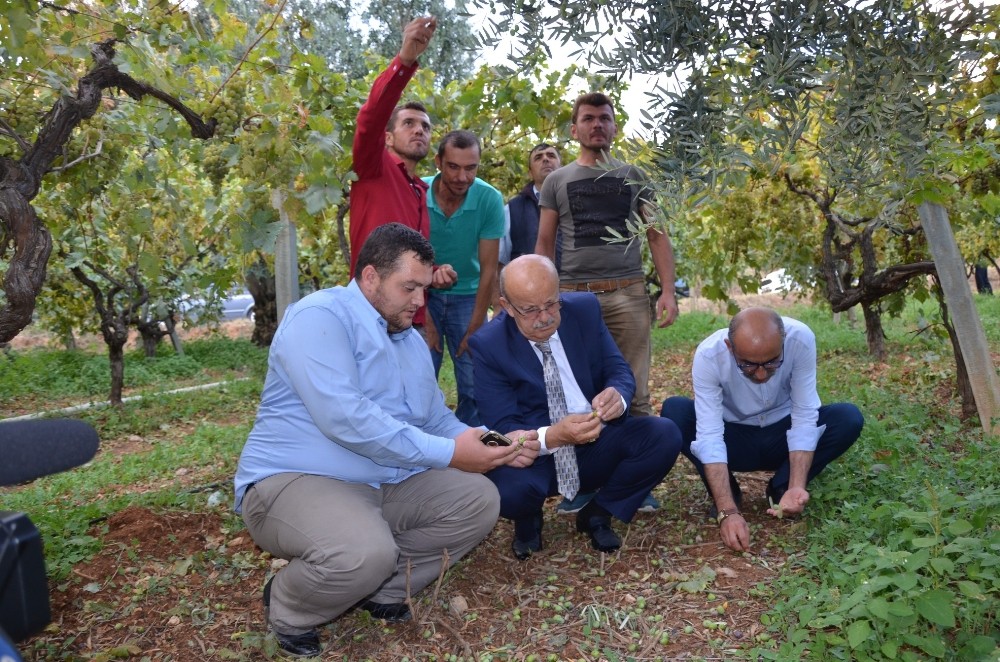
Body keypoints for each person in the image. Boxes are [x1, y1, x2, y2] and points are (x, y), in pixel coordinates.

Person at [233, 224, 537, 657]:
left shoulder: (410, 341)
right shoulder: (319, 317)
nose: (419, 302)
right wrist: (452, 452)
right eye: (409, 287)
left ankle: (384, 587)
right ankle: (289, 606)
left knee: (479, 500)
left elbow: (434, 418)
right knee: (363, 550)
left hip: (381, 482)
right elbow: (347, 419)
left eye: (424, 289)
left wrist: (490, 444)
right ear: (371, 277)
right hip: (296, 481)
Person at [470, 255, 682, 560]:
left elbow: (618, 370)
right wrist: (555, 436)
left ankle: (598, 512)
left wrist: (617, 397)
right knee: (505, 490)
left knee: (664, 435)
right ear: (506, 306)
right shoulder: (488, 345)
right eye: (530, 310)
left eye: (551, 303)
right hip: (537, 454)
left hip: (597, 440)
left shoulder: (583, 309)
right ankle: (528, 519)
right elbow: (503, 425)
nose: (544, 317)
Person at [659, 307, 864, 552]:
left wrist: (796, 485)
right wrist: (727, 511)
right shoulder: (708, 356)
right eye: (748, 365)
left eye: (771, 362)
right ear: (729, 347)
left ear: (784, 342)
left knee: (847, 417)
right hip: (734, 438)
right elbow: (710, 436)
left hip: (781, 436)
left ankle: (783, 487)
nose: (760, 373)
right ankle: (728, 494)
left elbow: (804, 415)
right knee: (675, 411)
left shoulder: (801, 339)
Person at [536, 92, 679, 420]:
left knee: (636, 394)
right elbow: (544, 243)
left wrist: (668, 292)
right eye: (588, 118)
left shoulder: (635, 175)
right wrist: (546, 296)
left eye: (604, 118)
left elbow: (657, 236)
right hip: (573, 297)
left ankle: (642, 465)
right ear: (575, 130)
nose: (597, 124)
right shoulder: (556, 181)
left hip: (628, 295)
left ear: (615, 128)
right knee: (579, 392)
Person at [348, 15, 456, 323]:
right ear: (388, 137)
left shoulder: (419, 188)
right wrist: (405, 61)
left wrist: (434, 273)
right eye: (408, 123)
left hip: (410, 320)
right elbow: (370, 119)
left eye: (425, 126)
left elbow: (404, 256)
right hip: (372, 316)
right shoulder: (373, 167)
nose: (419, 130)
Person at [423, 130, 505, 426]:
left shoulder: (489, 199)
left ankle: (468, 444)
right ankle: (426, 445)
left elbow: (489, 270)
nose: (462, 177)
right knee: (420, 374)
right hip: (422, 295)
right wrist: (426, 319)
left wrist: (475, 327)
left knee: (473, 384)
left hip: (470, 297)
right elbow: (406, 263)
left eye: (471, 168)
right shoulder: (417, 193)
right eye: (453, 167)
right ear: (438, 163)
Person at [499, 143, 562, 267]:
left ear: (562, 167)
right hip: (528, 284)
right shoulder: (511, 210)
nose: (545, 159)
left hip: (577, 284)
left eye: (551, 155)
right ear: (530, 173)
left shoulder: (579, 202)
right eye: (538, 157)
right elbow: (500, 263)